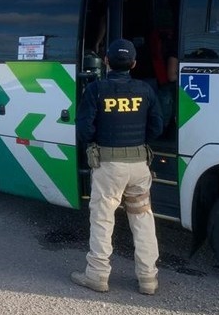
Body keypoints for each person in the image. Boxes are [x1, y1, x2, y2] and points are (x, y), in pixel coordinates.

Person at [72, 39, 164, 295]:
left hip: (108, 167)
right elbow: (156, 127)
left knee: (103, 218)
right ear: (134, 64)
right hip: (139, 166)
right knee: (143, 219)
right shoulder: (145, 90)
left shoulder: (96, 90)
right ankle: (148, 279)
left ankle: (97, 276)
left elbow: (84, 129)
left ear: (107, 61)